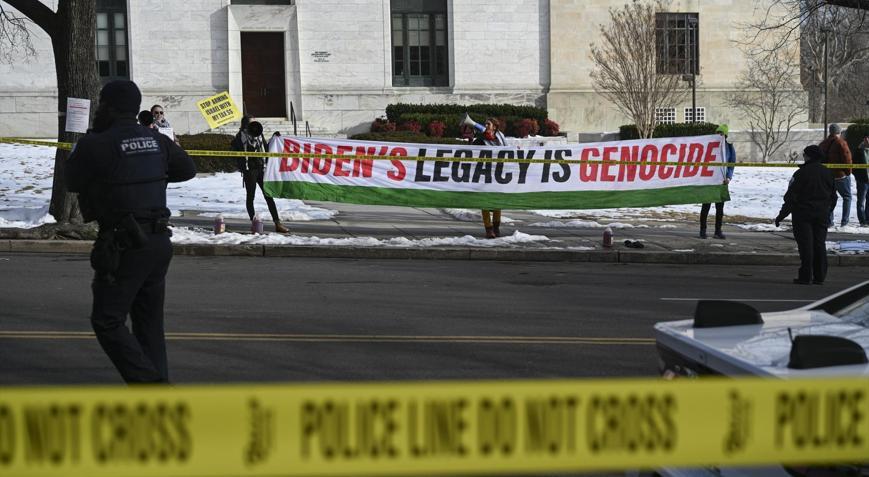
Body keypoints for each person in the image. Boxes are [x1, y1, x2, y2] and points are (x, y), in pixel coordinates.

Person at [66, 80, 196, 383]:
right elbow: (187, 169)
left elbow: (72, 181)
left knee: (107, 321)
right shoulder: (156, 140)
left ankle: (154, 387)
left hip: (123, 244)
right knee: (149, 326)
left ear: (107, 106)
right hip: (158, 242)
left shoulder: (96, 143)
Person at [774, 145, 836, 285]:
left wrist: (781, 216)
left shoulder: (801, 173)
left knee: (806, 245)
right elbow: (834, 197)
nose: (803, 156)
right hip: (821, 214)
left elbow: (791, 197)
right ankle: (820, 276)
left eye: (805, 154)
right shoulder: (828, 173)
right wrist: (827, 210)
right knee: (820, 244)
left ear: (809, 156)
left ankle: (805, 276)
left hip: (803, 214)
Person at [231, 117, 288, 233]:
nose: (255, 124)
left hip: (261, 168)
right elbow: (234, 152)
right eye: (252, 122)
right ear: (246, 124)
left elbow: (266, 148)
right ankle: (255, 223)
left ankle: (277, 223)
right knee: (250, 197)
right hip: (249, 171)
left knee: (268, 195)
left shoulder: (259, 135)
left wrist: (274, 137)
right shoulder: (239, 137)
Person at [698, 124, 736, 239]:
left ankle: (718, 231)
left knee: (720, 208)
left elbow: (731, 165)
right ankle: (703, 230)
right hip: (709, 182)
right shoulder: (708, 146)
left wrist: (728, 177)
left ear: (725, 135)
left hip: (721, 183)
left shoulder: (729, 148)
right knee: (706, 207)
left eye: (721, 133)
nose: (718, 135)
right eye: (717, 133)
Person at [473, 118, 507, 238]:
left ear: (495, 127)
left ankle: (496, 226)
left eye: (489, 124)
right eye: (485, 124)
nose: (486, 125)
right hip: (484, 173)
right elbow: (472, 150)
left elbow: (507, 150)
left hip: (498, 173)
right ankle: (488, 228)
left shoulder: (500, 137)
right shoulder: (481, 138)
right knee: (485, 202)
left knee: (497, 201)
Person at [818, 123, 852, 227]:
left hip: (827, 176)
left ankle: (829, 221)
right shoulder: (841, 142)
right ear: (839, 132)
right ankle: (844, 222)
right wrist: (848, 172)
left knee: (829, 198)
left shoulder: (823, 143)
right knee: (847, 197)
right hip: (840, 175)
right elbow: (847, 158)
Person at [856, 134, 869, 226]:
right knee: (861, 201)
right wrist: (858, 176)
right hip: (862, 180)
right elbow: (853, 165)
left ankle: (868, 219)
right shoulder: (859, 150)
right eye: (865, 138)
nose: (867, 140)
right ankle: (862, 221)